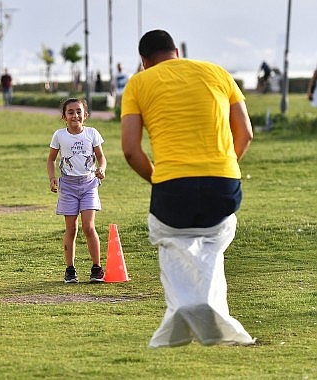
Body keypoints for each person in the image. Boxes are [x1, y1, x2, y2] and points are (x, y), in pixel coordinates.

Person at [120, 29, 255, 348]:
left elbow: (130, 150)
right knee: (211, 242)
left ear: (144, 60)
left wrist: (156, 177)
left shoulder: (138, 83)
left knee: (172, 239)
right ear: (176, 51)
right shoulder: (217, 73)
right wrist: (225, 166)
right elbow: (245, 133)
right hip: (223, 184)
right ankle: (209, 311)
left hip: (171, 186)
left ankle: (185, 309)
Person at [47, 98, 107, 284]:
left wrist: (102, 169)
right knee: (71, 228)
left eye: (79, 111)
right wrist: (52, 178)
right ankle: (70, 270)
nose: (75, 115)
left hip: (89, 184)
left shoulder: (92, 133)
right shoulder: (59, 135)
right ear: (64, 116)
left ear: (85, 115)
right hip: (68, 186)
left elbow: (101, 157)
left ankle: (96, 268)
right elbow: (51, 160)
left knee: (89, 227)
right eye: (71, 112)